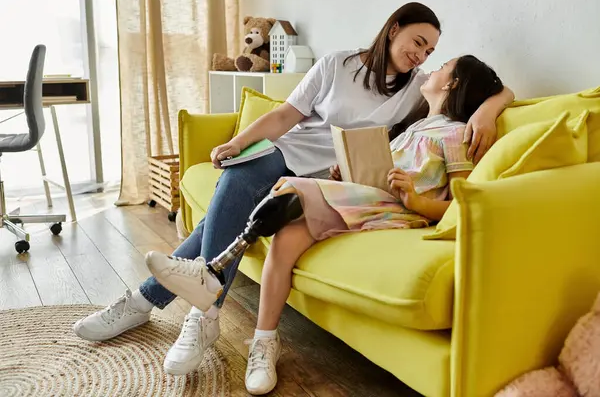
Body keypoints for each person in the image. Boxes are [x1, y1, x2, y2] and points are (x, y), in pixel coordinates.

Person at [72, 1, 514, 379]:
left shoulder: (420, 89)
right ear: (393, 29)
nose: (421, 56)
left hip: (327, 178)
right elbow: (286, 115)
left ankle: (147, 301)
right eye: (417, 43)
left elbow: (493, 89)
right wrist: (239, 141)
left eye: (431, 51)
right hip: (286, 154)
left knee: (229, 218)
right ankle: (202, 311)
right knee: (239, 177)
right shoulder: (336, 65)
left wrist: (490, 110)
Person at [149, 54, 505, 395]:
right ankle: (264, 342)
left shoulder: (458, 134)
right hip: (369, 199)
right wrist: (344, 172)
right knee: (286, 235)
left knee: (289, 189)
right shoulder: (413, 128)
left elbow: (461, 202)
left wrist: (417, 201)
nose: (431, 64)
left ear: (452, 83)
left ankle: (209, 274)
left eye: (441, 64)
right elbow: (380, 176)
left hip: (396, 212)